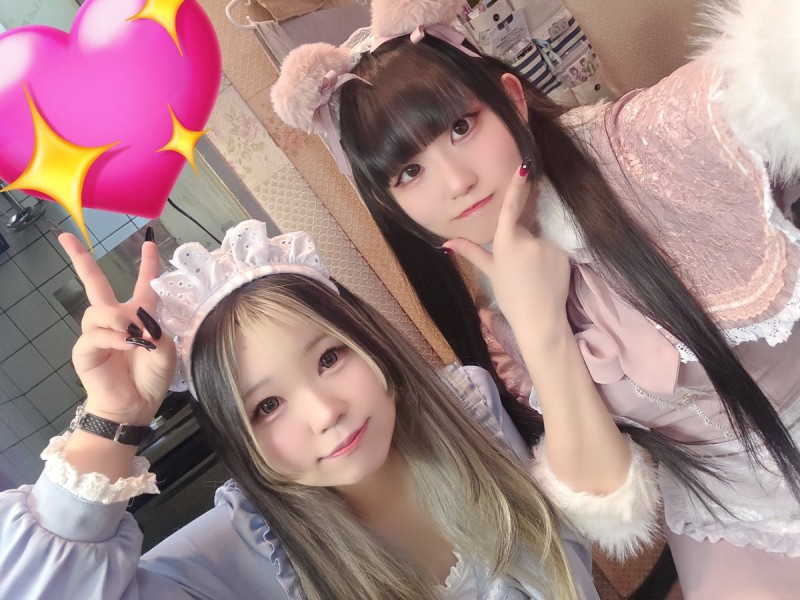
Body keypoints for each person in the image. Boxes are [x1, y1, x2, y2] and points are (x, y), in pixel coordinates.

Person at [270, 0, 800, 596]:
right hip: (731, 525)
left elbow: (772, 68)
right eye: (408, 173)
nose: (456, 181)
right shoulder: (502, 312)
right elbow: (606, 496)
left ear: (512, 100)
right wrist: (538, 324)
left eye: (461, 128)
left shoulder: (635, 148)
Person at [0, 218, 662, 599]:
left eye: (329, 359)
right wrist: (113, 418)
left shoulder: (471, 408)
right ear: (237, 437)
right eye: (267, 406)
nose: (325, 412)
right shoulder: (233, 555)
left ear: (368, 342)